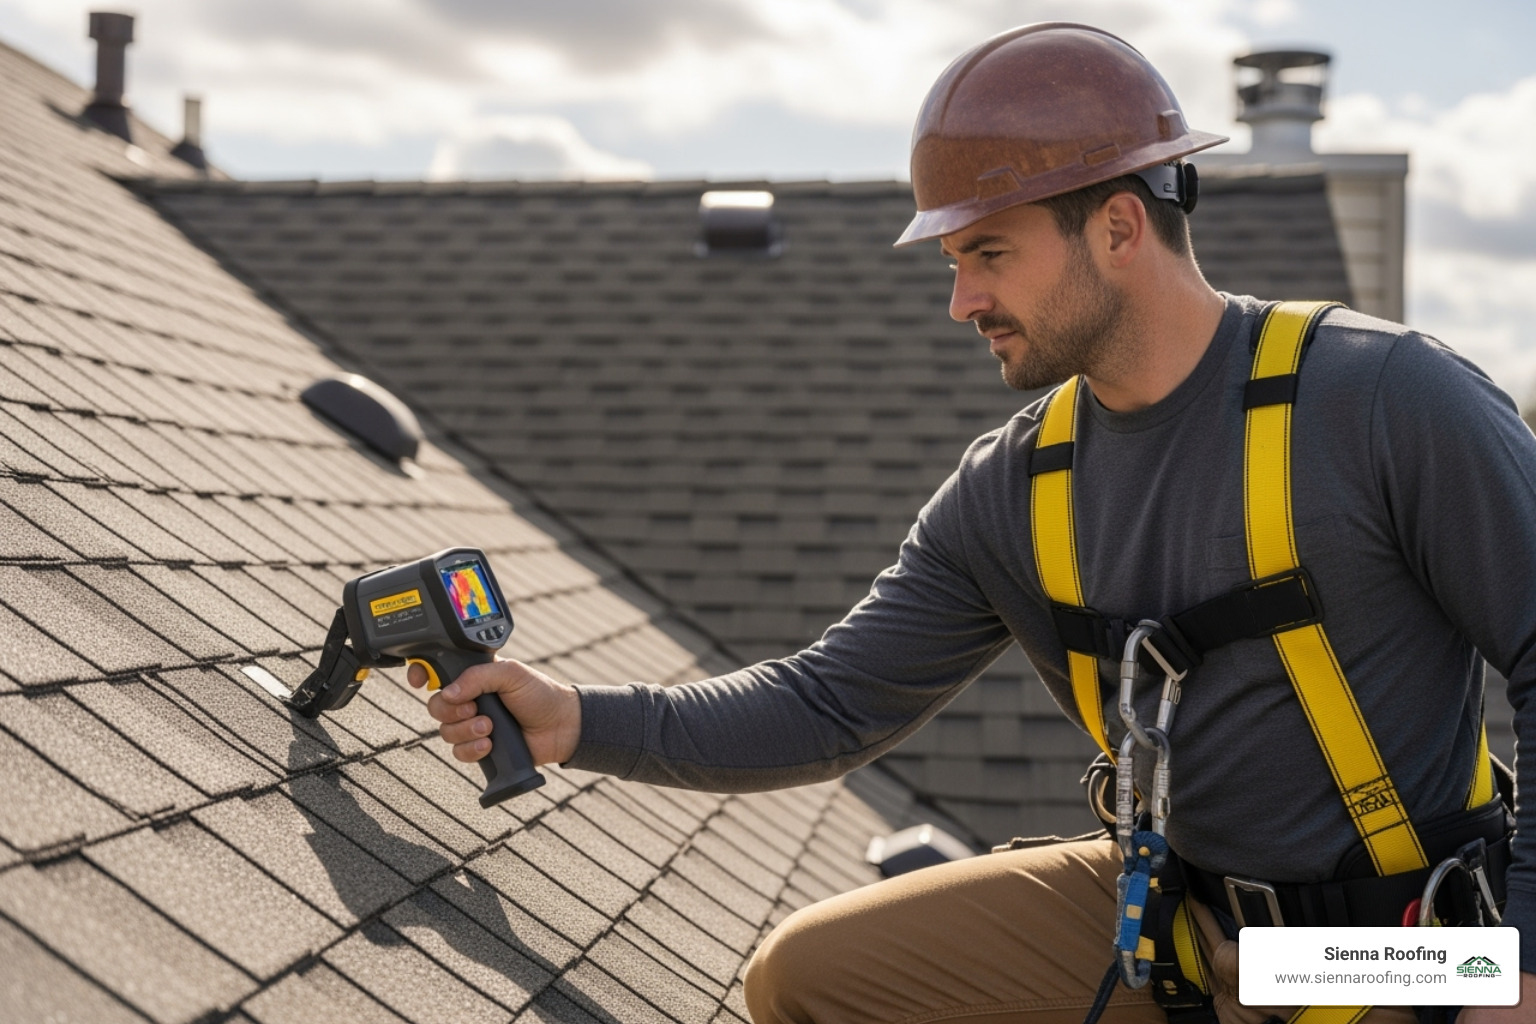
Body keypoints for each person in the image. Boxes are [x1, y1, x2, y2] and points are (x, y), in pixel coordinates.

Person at [410, 23, 1532, 1024]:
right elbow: (827, 703)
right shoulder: (1017, 485)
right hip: (1185, 933)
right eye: (955, 261)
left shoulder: (1385, 402)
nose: (962, 301)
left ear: (1120, 228)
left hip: (1414, 953)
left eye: (989, 253)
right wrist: (571, 719)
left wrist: (1521, 963)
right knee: (805, 978)